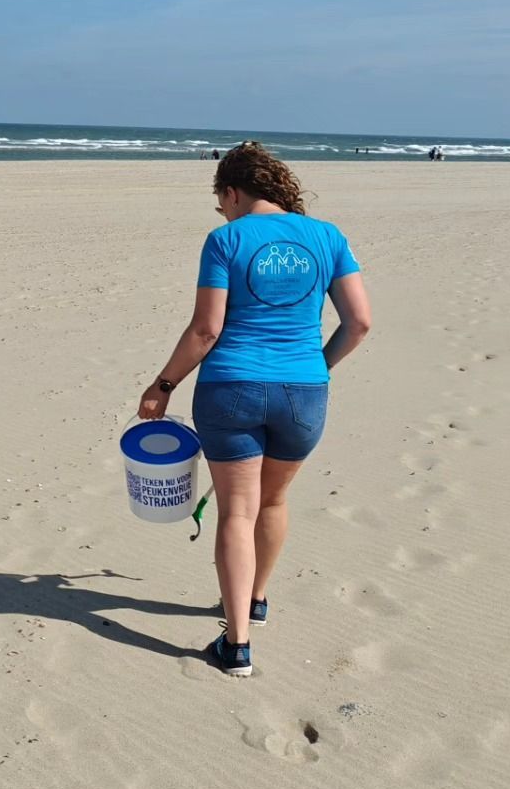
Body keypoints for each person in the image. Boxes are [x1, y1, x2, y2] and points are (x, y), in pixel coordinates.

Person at [136, 141, 372, 677]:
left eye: (221, 202)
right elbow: (359, 323)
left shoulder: (226, 239)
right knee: (273, 501)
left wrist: (163, 384)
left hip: (231, 389)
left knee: (237, 512)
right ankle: (257, 599)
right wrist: (315, 368)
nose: (223, 212)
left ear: (233, 192)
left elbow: (206, 330)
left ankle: (236, 643)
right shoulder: (328, 237)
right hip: (303, 392)